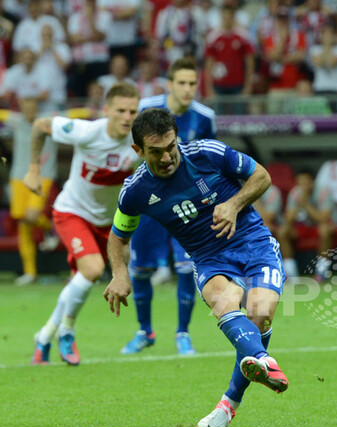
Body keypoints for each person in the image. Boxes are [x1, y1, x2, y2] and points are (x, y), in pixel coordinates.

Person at [103, 107, 289, 427]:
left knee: (259, 315)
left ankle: (229, 403)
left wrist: (233, 205)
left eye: (170, 147)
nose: (166, 158)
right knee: (223, 301)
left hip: (254, 243)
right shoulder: (135, 191)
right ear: (138, 150)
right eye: (155, 152)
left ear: (177, 138)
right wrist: (120, 273)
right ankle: (264, 362)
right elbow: (118, 237)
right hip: (208, 257)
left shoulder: (207, 153)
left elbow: (262, 176)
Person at [27, 82, 140, 366]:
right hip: (72, 212)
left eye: (132, 111)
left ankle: (44, 336)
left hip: (108, 222)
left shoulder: (139, 144)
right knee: (92, 269)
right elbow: (40, 125)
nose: (127, 117)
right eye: (121, 110)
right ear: (106, 110)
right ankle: (67, 331)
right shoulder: (87, 132)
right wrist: (34, 169)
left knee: (82, 279)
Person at [122, 56, 217, 356]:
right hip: (150, 202)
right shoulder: (145, 109)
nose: (188, 89)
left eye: (193, 83)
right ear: (170, 84)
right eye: (182, 83)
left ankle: (182, 333)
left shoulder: (205, 117)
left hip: (187, 204)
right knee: (140, 269)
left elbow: (209, 160)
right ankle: (144, 331)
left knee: (187, 268)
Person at [2, 98, 59, 286]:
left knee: (32, 215)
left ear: (37, 108)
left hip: (43, 175)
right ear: (21, 109)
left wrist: (93, 111)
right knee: (23, 222)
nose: (29, 112)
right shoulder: (16, 120)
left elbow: (73, 115)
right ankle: (30, 272)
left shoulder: (48, 120)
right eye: (26, 109)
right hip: (19, 177)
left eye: (32, 108)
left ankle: (52, 230)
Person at [277, 166, 337, 278]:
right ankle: (290, 272)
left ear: (313, 182)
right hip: (305, 227)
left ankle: (321, 271)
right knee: (283, 231)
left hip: (329, 226)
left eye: (307, 182)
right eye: (300, 183)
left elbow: (323, 219)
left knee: (324, 230)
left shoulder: (324, 192)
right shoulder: (295, 193)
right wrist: (299, 204)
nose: (304, 186)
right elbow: (288, 219)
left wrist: (305, 203)